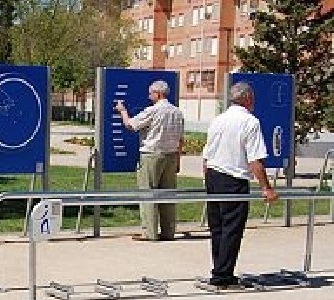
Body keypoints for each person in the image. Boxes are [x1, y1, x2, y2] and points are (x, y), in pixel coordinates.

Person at [201, 81, 278, 288]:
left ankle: (220, 270)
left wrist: (207, 180)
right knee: (231, 229)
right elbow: (255, 160)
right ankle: (222, 277)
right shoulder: (250, 122)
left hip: (214, 176)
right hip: (233, 179)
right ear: (248, 99)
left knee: (217, 228)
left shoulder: (218, 120)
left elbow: (206, 155)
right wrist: (266, 188)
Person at [114, 80, 184, 241]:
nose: (148, 96)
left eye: (150, 93)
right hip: (171, 156)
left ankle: (150, 233)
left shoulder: (153, 111)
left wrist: (122, 111)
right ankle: (168, 232)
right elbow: (181, 139)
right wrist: (178, 160)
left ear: (158, 94)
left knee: (148, 193)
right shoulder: (177, 112)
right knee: (168, 195)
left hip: (152, 155)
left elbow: (131, 125)